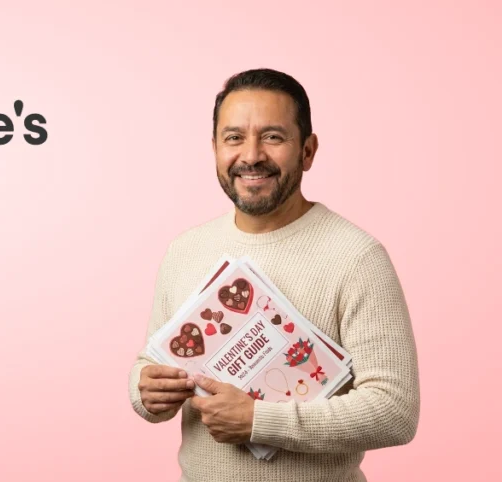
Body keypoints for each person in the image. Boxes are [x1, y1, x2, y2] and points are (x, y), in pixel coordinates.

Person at [128, 68, 419, 481]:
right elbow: (150, 361)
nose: (251, 156)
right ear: (214, 149)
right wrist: (147, 391)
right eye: (234, 138)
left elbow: (394, 411)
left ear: (308, 150)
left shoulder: (357, 257)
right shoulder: (185, 250)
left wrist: (261, 421)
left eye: (273, 137)